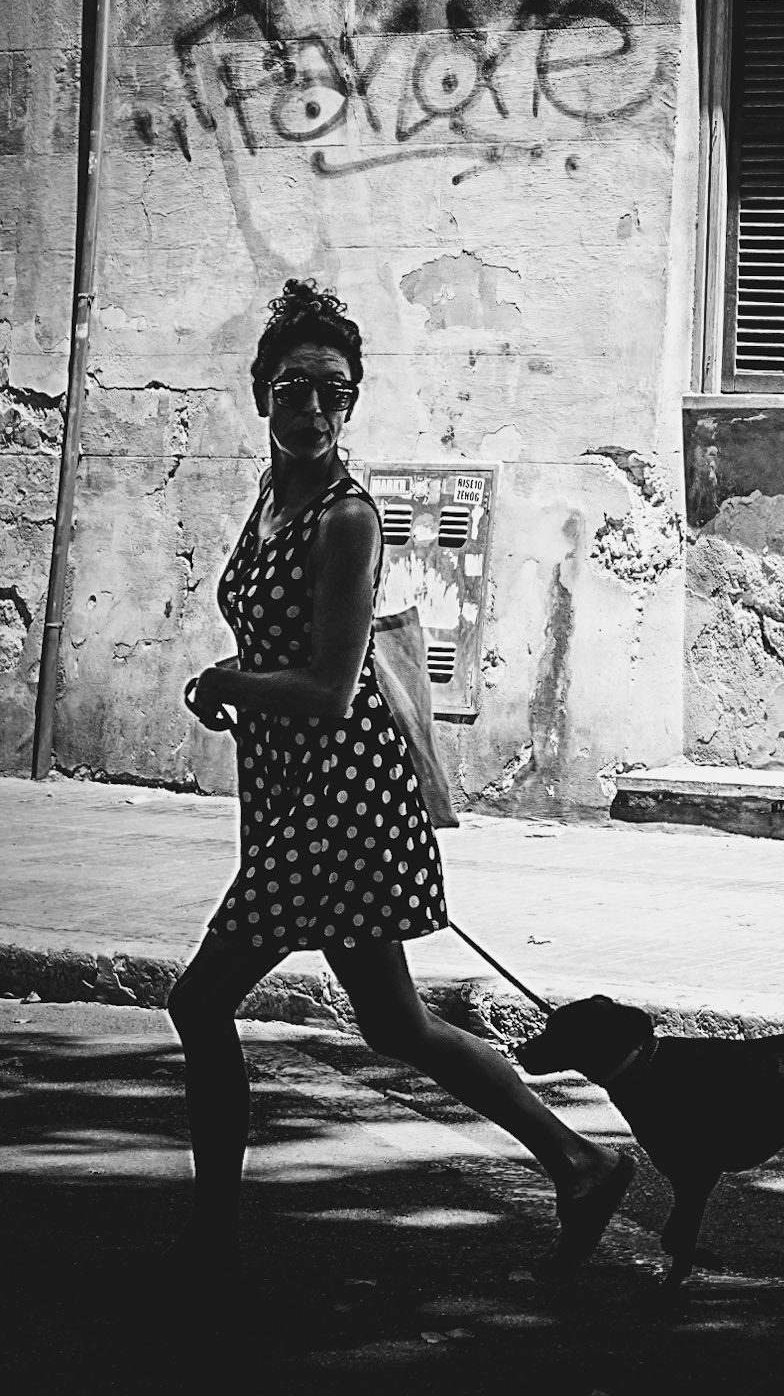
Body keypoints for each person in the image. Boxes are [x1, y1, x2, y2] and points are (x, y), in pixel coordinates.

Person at [169, 278, 632, 1268]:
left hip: (340, 799)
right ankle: (577, 1159)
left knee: (201, 1002)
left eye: (335, 391)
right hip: (297, 795)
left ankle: (213, 1230)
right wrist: (239, 687)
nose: (314, 407)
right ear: (262, 394)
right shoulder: (270, 503)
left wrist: (228, 679)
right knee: (396, 1021)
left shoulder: (348, 518)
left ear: (352, 402)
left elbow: (333, 689)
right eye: (295, 386)